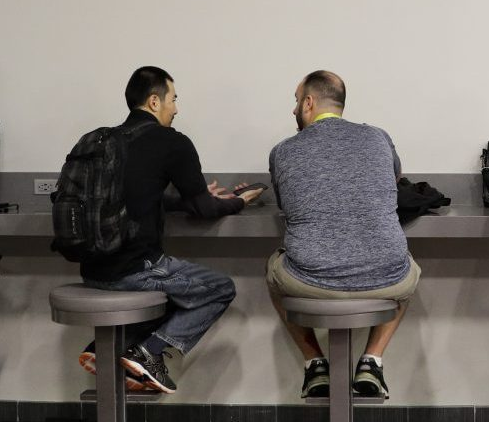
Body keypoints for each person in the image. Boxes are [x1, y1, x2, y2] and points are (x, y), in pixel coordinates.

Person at [78, 66, 262, 393]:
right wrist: (238, 202)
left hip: (91, 271)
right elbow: (205, 211)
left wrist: (192, 198)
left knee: (171, 291)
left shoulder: (101, 140)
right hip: (136, 270)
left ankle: (103, 349)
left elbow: (140, 195)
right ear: (154, 101)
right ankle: (148, 352)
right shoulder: (171, 142)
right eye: (173, 99)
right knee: (217, 288)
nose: (176, 108)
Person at [266, 71, 419, 399]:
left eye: (296, 102)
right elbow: (393, 180)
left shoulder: (282, 152)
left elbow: (286, 204)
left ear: (308, 103)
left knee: (273, 270)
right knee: (409, 271)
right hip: (385, 280)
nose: (294, 110)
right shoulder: (379, 137)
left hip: (309, 280)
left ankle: (315, 364)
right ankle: (372, 360)